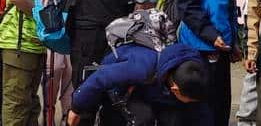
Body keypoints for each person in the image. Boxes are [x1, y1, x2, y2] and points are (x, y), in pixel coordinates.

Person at [68, 42, 212, 126]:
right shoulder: (143, 68)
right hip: (122, 87)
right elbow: (100, 78)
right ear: (176, 89)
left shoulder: (195, 76)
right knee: (144, 119)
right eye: (190, 100)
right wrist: (76, 108)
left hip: (154, 92)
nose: (193, 102)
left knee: (174, 119)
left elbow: (201, 111)